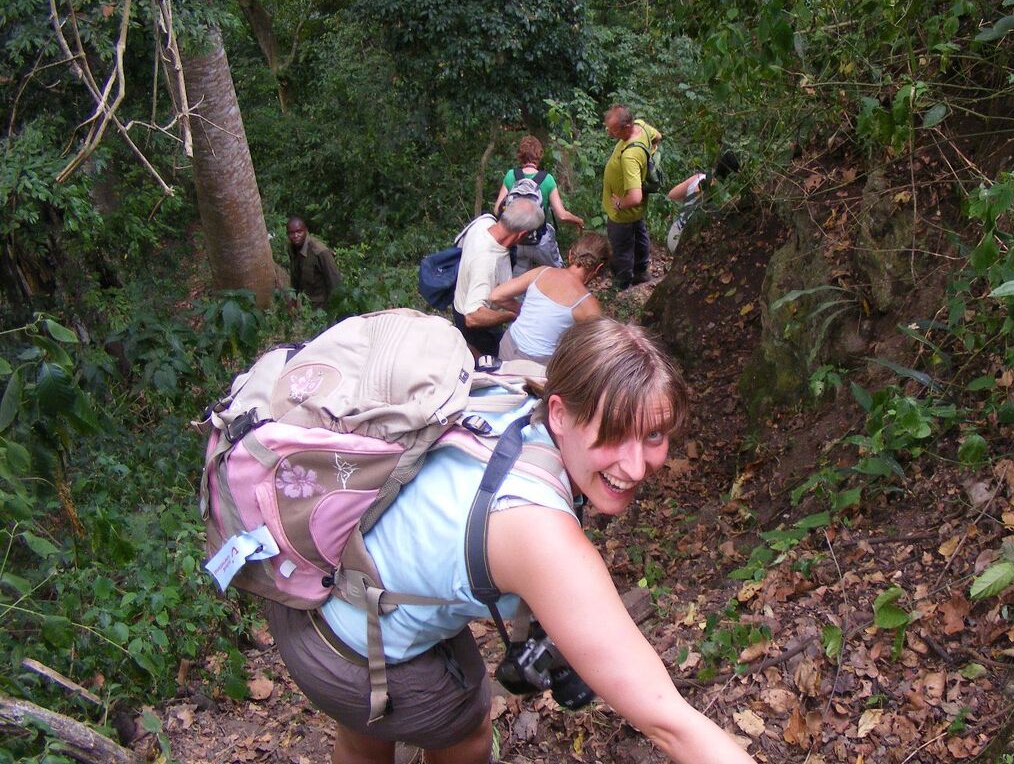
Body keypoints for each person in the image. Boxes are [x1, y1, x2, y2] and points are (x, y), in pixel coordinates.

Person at [264, 317, 757, 764]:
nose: (635, 465)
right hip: (347, 648)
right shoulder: (538, 532)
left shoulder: (518, 396)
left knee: (368, 728)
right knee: (467, 727)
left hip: (309, 587)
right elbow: (671, 723)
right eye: (613, 434)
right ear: (560, 414)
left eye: (653, 436)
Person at [490, 232, 611, 364]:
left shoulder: (542, 272)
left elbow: (496, 295)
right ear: (599, 268)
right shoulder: (588, 305)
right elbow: (600, 347)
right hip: (538, 363)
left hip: (509, 345)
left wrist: (522, 310)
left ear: (570, 255)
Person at [452, 198, 544, 359]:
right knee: (495, 366)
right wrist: (510, 316)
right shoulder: (486, 261)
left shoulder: (484, 223)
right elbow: (472, 317)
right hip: (477, 328)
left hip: (468, 300)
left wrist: (522, 310)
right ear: (522, 234)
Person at [493, 135, 585, 277]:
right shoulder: (547, 179)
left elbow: (497, 209)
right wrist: (578, 221)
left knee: (519, 283)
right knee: (558, 276)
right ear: (539, 155)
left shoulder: (511, 175)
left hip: (517, 241)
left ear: (520, 155)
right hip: (541, 241)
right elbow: (561, 215)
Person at [601, 105, 662, 290]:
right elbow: (658, 136)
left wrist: (620, 203)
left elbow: (635, 197)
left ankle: (622, 285)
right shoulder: (641, 126)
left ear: (627, 126)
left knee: (620, 249)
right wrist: (650, 152)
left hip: (623, 213)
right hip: (635, 213)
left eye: (613, 129)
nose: (610, 133)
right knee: (639, 236)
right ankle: (641, 272)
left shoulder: (630, 156)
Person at [665, 151, 741, 254]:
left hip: (674, 234)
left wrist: (689, 203)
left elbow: (672, 195)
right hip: (686, 242)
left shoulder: (699, 178)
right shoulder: (723, 196)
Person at [286, 217, 342, 309]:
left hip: (323, 305)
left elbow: (335, 281)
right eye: (292, 233)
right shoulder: (292, 249)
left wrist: (335, 308)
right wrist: (293, 299)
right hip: (308, 304)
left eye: (299, 232)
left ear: (306, 231)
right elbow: (295, 278)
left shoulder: (319, 251)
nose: (296, 236)